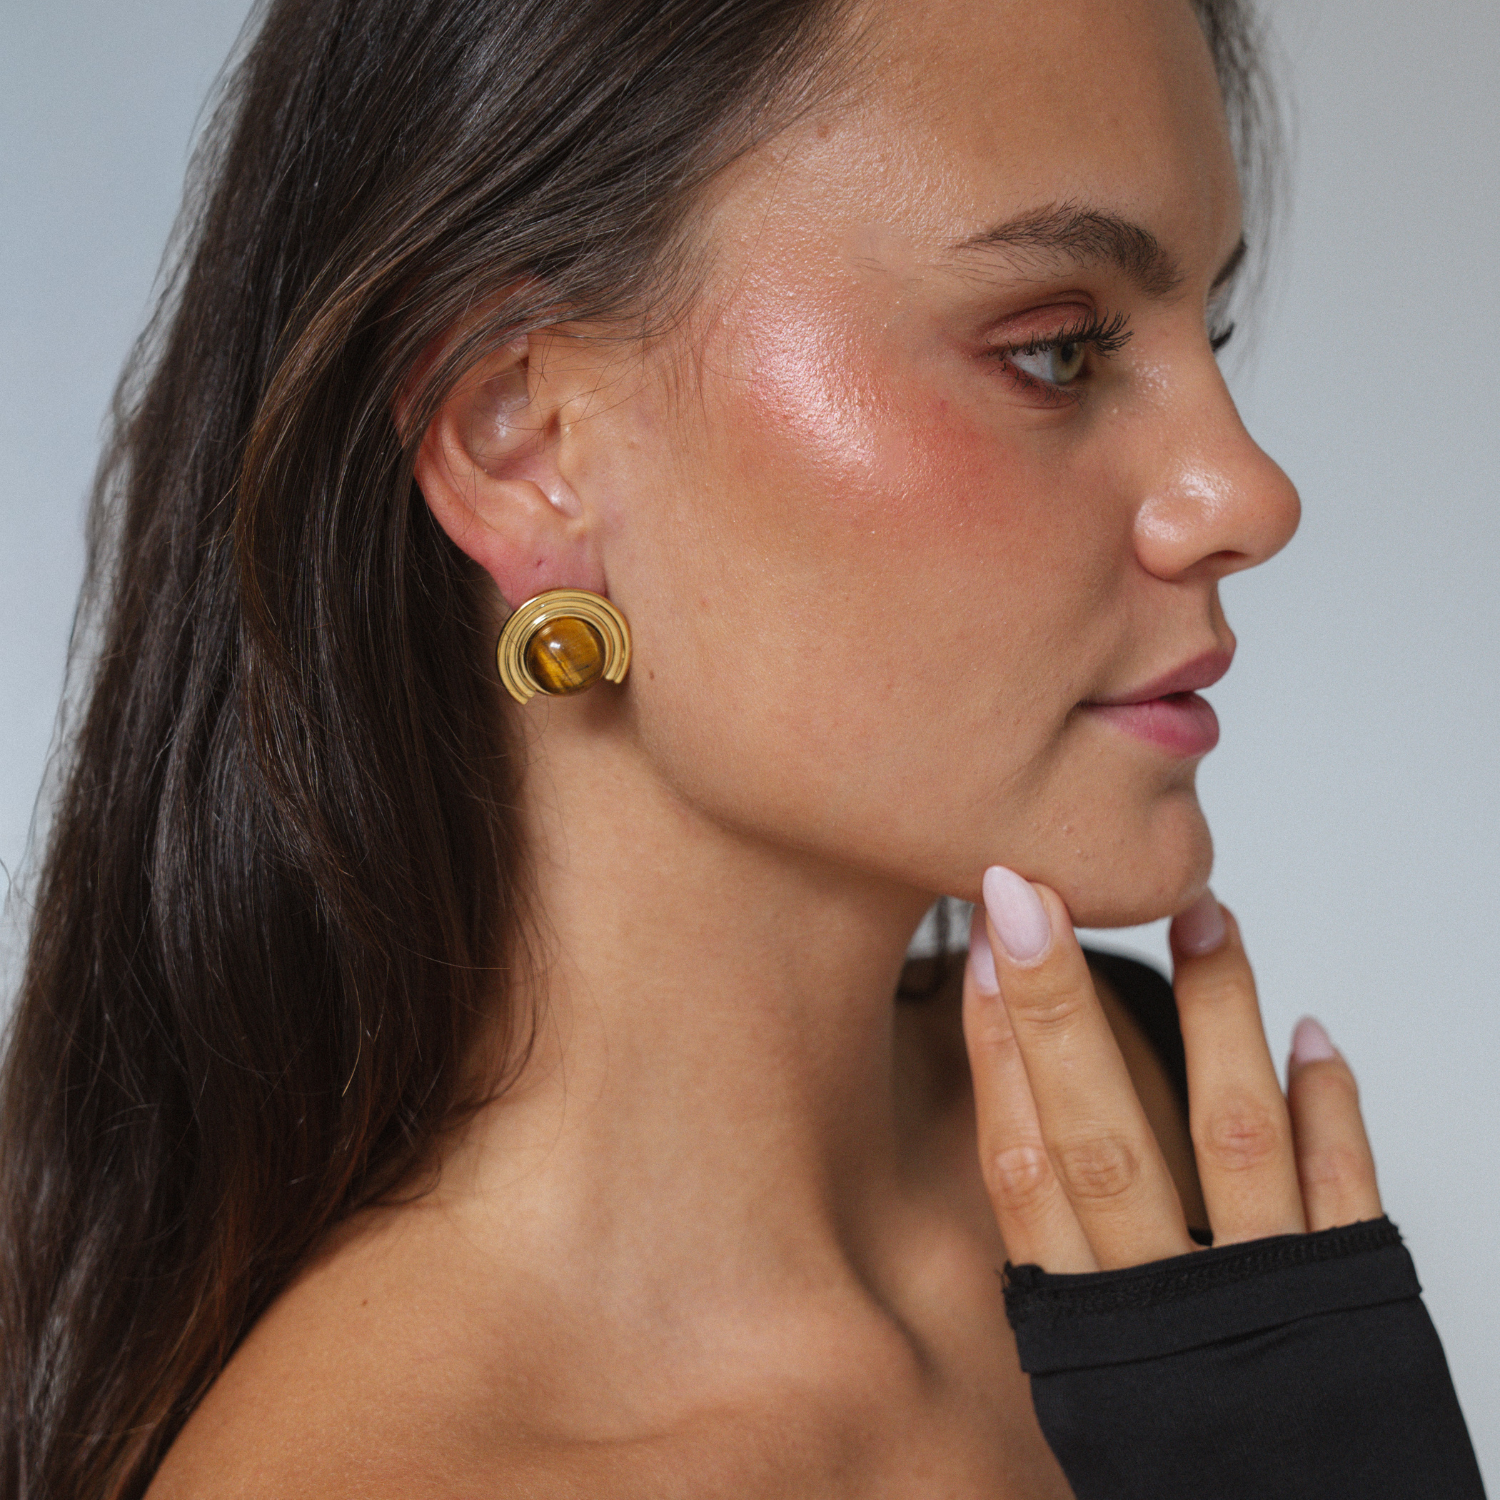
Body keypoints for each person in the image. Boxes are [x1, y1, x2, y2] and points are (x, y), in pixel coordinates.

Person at [0, 0, 1484, 1495]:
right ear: (524, 443)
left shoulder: (1152, 1173)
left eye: (1204, 332)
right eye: (1055, 352)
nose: (1249, 493)